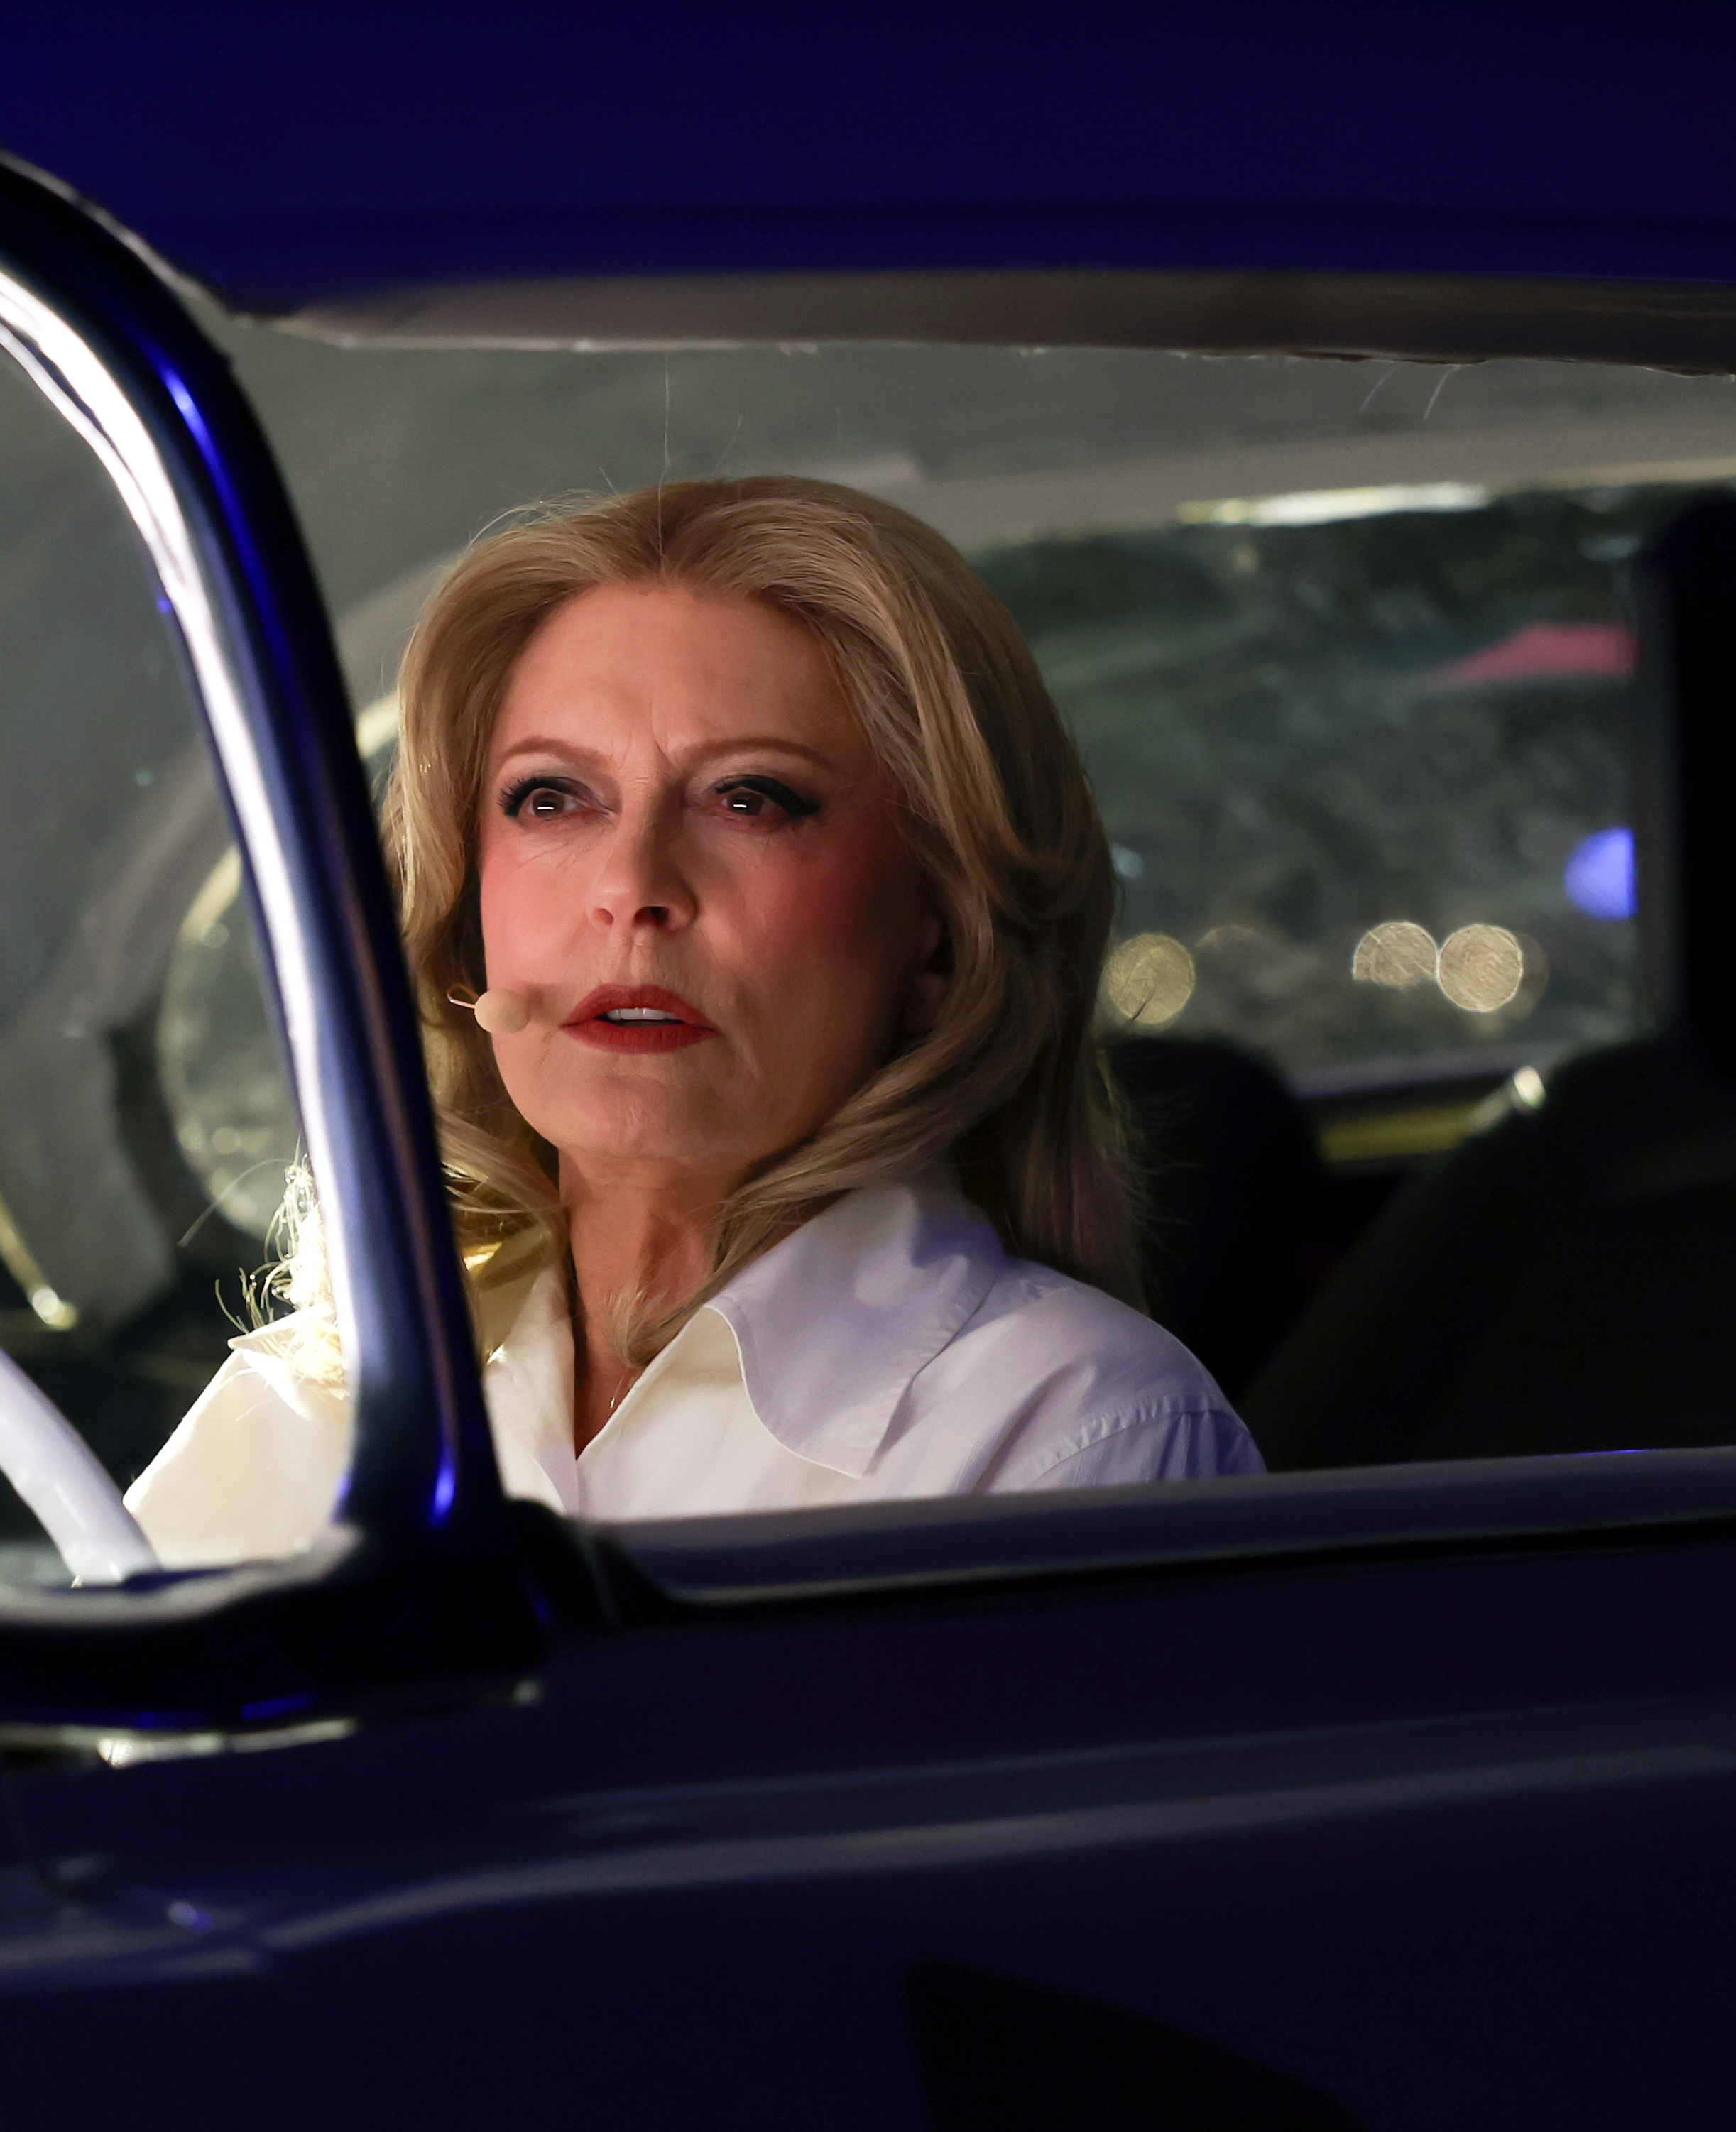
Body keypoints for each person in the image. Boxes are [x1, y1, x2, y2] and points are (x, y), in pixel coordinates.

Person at [129, 475, 1259, 1566]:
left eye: (748, 798)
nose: (631, 885)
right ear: (469, 920)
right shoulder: (303, 1402)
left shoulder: (1077, 1431)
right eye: (550, 798)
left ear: (938, 929)